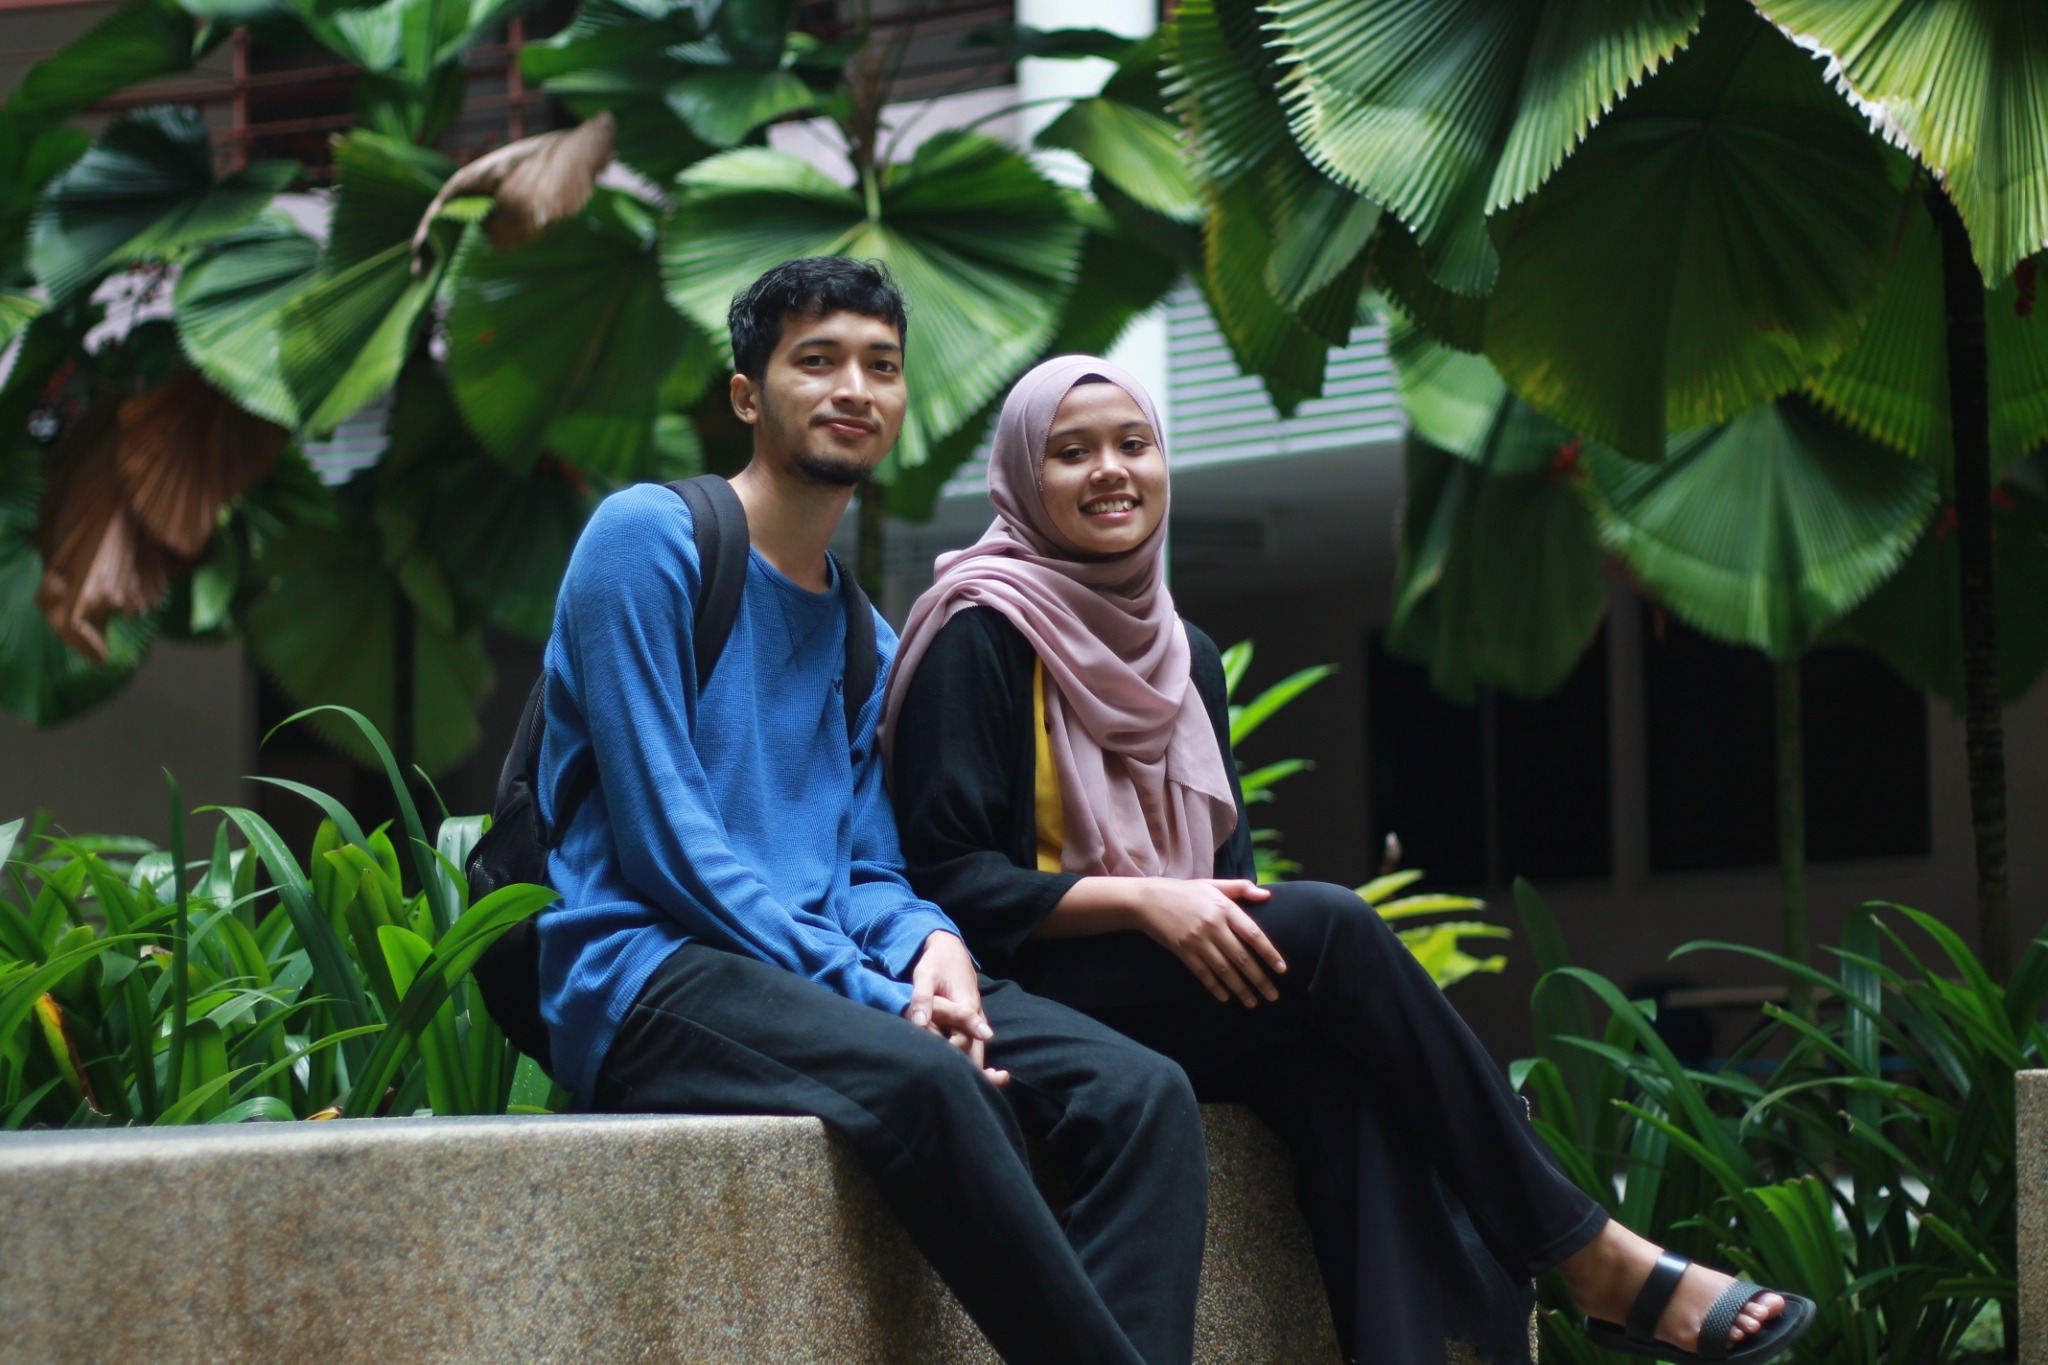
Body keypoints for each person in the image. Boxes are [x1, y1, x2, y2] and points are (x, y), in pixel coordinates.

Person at [882, 354, 1817, 1365]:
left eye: (1132, 443)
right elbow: (942, 880)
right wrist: (1143, 901)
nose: (1109, 469)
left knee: (1350, 1090)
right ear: (1023, 479)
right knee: (1327, 922)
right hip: (1021, 993)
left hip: (1159, 989)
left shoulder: (1183, 655)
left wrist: (1183, 910)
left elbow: (1228, 873)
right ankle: (1589, 1254)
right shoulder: (979, 632)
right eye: (1071, 452)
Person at [535, 267, 1209, 1365]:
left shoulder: (865, 638)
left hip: (828, 975)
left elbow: (867, 868)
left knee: (1141, 1092)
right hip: (650, 967)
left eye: (881, 366)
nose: (854, 387)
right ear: (747, 394)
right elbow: (668, 849)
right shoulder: (647, 541)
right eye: (817, 360)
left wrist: (933, 951)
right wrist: (877, 991)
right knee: (932, 1077)